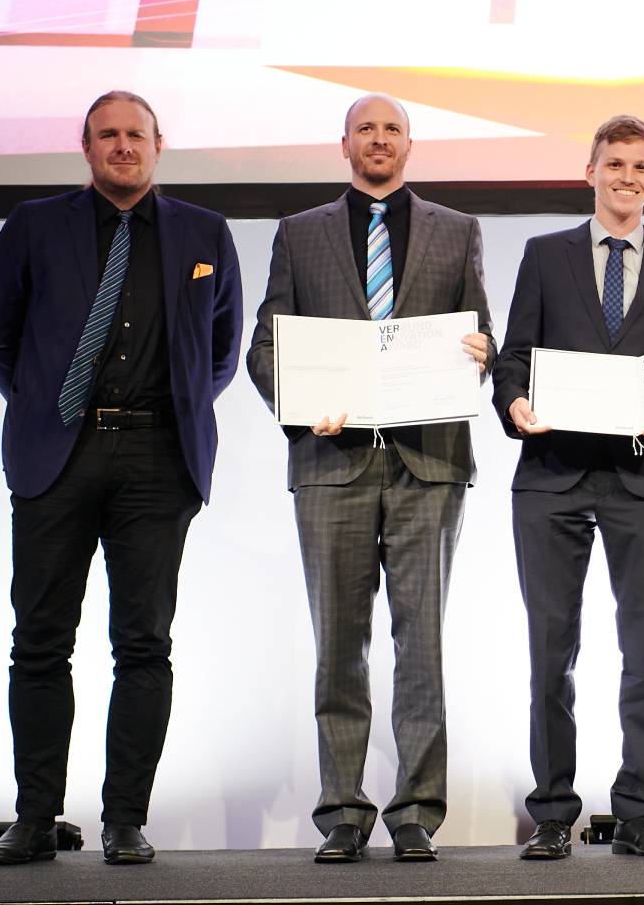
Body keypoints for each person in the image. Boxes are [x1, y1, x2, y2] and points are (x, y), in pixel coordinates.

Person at [0, 91, 243, 866]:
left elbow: (218, 350)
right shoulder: (33, 225)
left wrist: (176, 409)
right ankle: (34, 819)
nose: (123, 146)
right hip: (58, 457)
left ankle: (125, 819)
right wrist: (49, 411)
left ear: (159, 144)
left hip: (160, 461)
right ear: (86, 148)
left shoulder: (205, 233)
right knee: (40, 643)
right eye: (108, 135)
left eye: (136, 134)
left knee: (144, 644)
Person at [246, 93, 493, 864]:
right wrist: (302, 403)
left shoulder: (458, 231)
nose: (379, 139)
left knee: (423, 645)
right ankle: (344, 812)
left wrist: (481, 353)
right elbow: (267, 348)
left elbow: (480, 332)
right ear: (344, 145)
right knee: (338, 646)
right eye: (366, 129)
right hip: (331, 462)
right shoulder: (299, 234)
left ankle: (416, 810)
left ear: (410, 145)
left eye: (392, 129)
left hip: (429, 463)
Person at [492, 115, 644, 861]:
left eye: (639, 165)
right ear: (590, 172)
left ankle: (639, 812)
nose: (626, 176)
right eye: (613, 163)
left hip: (641, 480)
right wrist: (514, 404)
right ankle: (552, 813)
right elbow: (514, 356)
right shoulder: (543, 255)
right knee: (551, 655)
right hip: (550, 478)